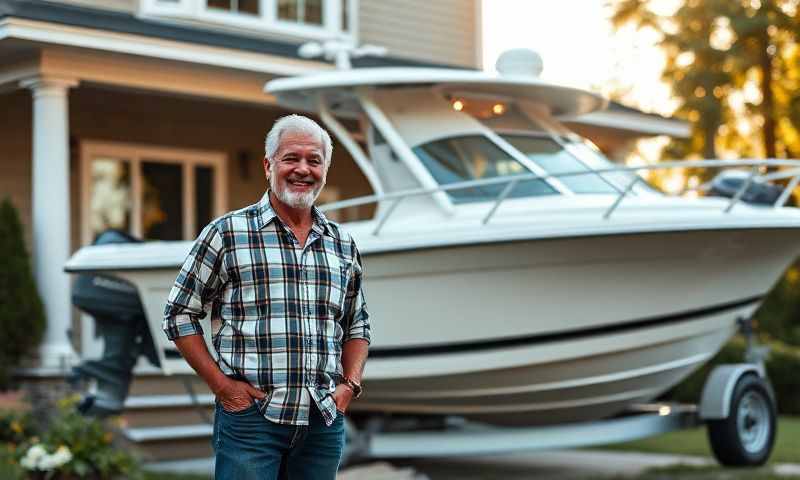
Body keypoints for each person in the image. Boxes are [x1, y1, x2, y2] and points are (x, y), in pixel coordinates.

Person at [163, 114, 370, 479]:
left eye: (314, 160)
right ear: (268, 165)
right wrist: (223, 387)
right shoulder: (227, 233)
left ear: (324, 169)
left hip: (322, 423)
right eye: (291, 158)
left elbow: (357, 324)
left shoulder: (342, 243)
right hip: (251, 423)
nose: (302, 169)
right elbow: (179, 314)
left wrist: (348, 386)